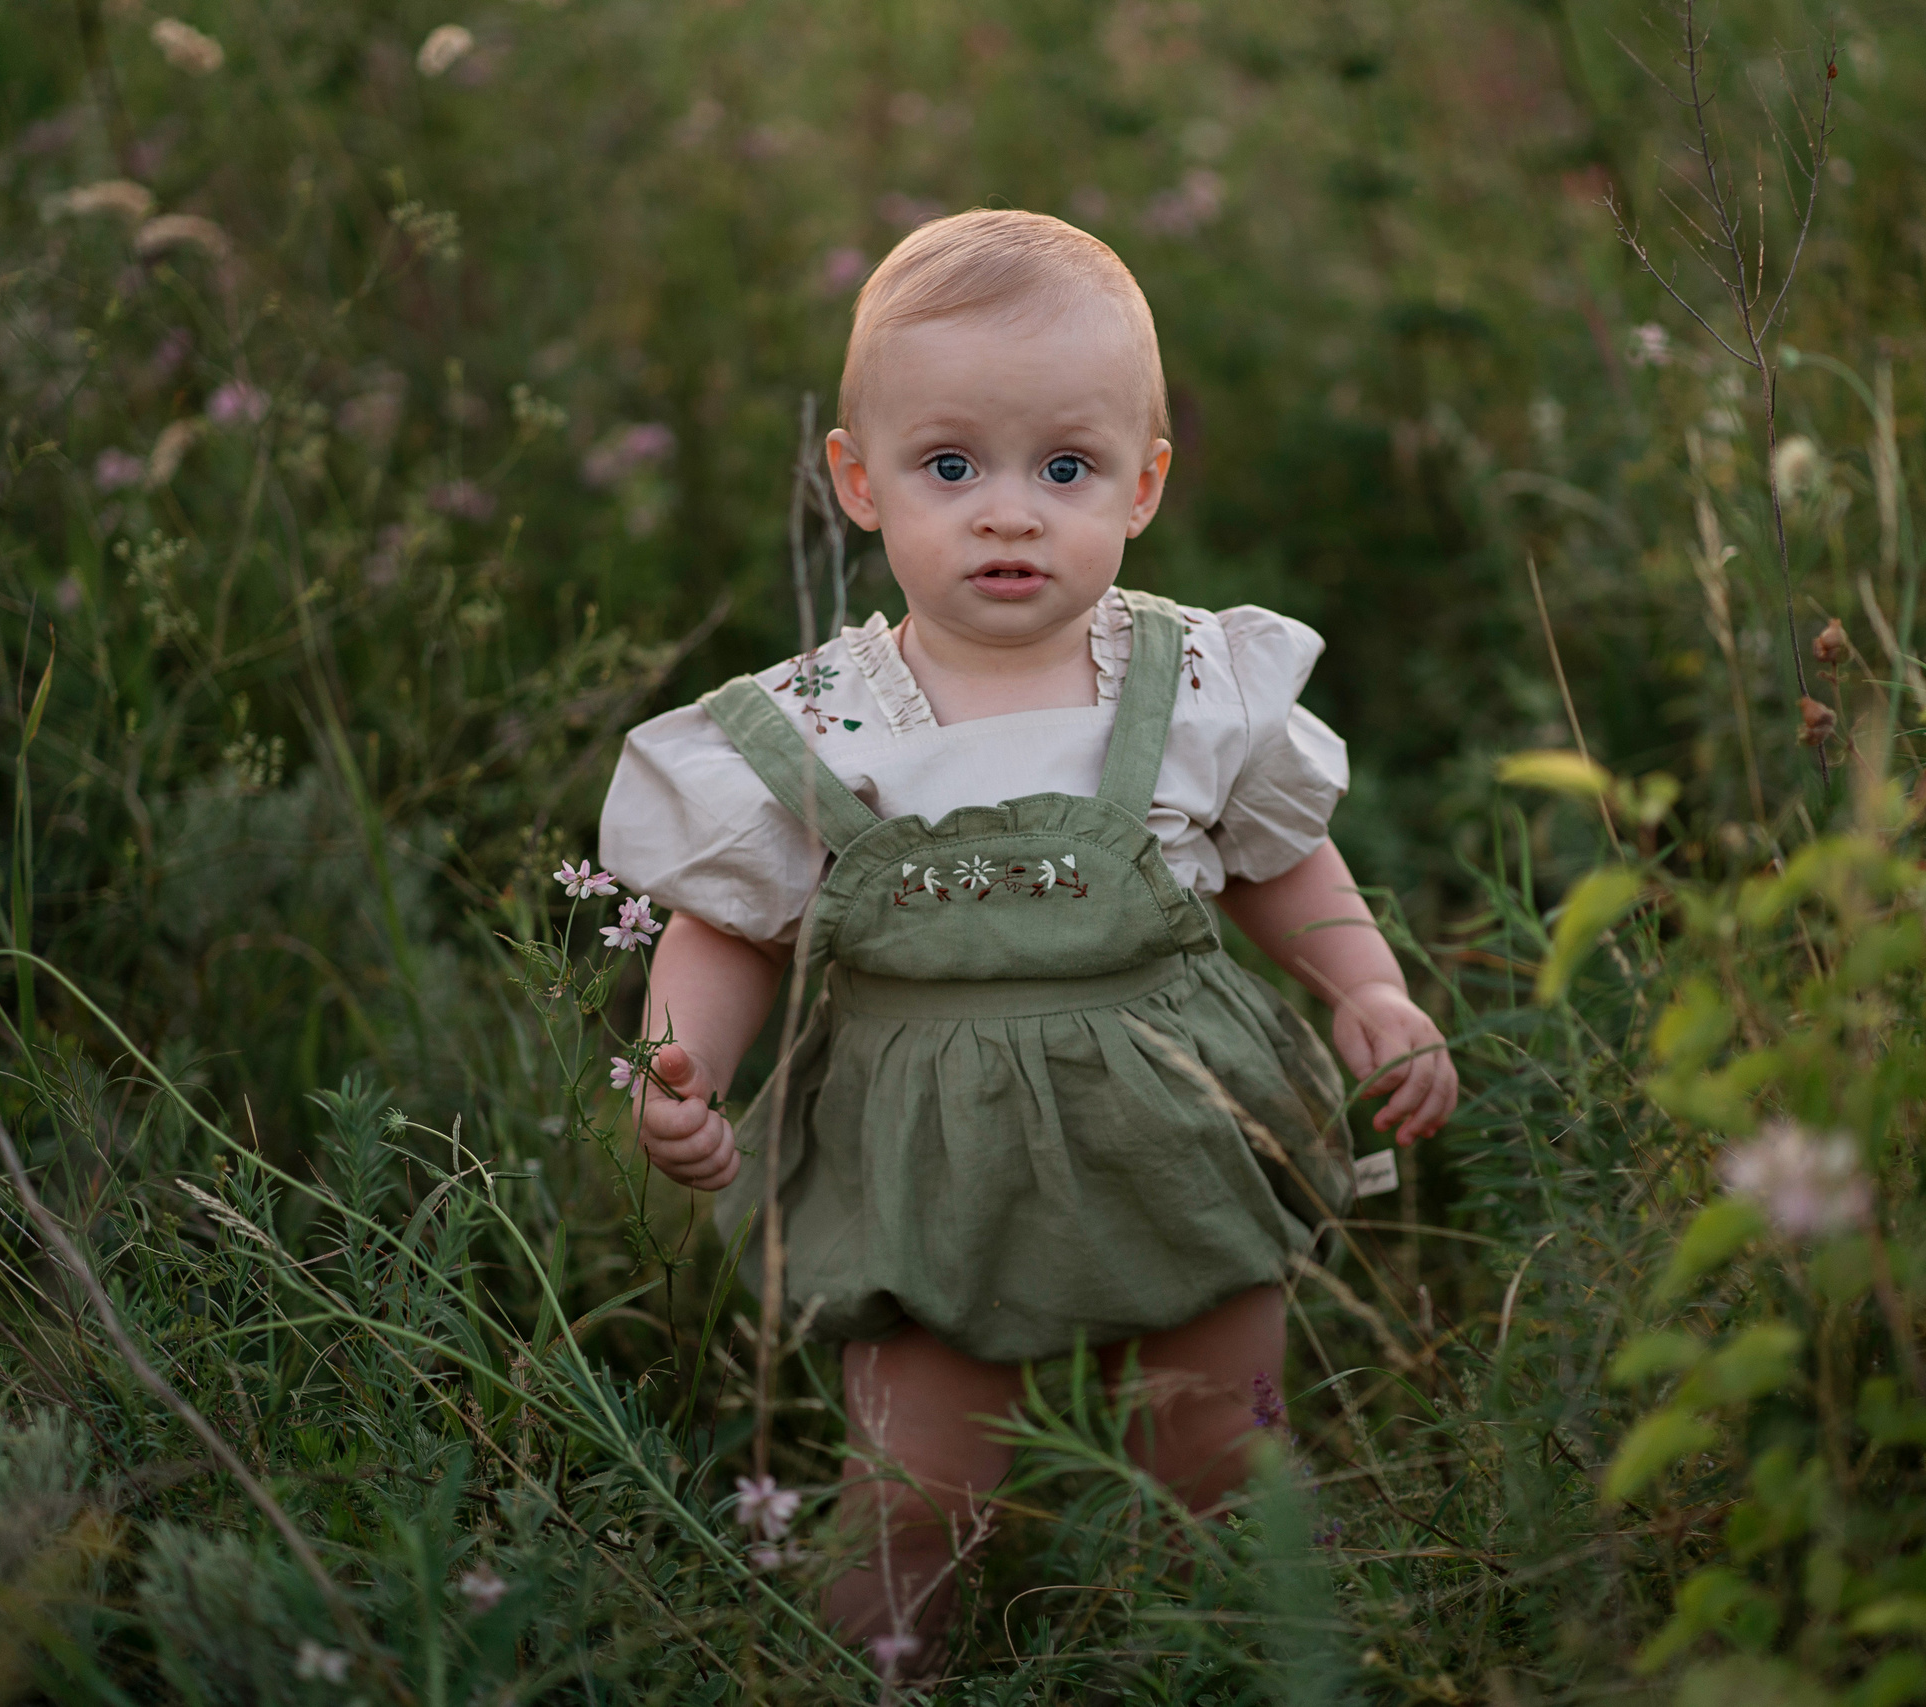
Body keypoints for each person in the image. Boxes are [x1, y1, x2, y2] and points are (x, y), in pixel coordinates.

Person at [597, 208, 1457, 1665]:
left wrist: (1364, 985)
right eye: (952, 467)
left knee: (1223, 1456)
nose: (1009, 513)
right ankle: (881, 1674)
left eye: (1066, 469)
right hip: (928, 1167)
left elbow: (1275, 856)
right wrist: (685, 1064)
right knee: (918, 1490)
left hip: (1180, 1137)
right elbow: (732, 924)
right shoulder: (822, 724)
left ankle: (1256, 1664)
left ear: (1144, 484)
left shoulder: (1191, 681)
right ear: (859, 483)